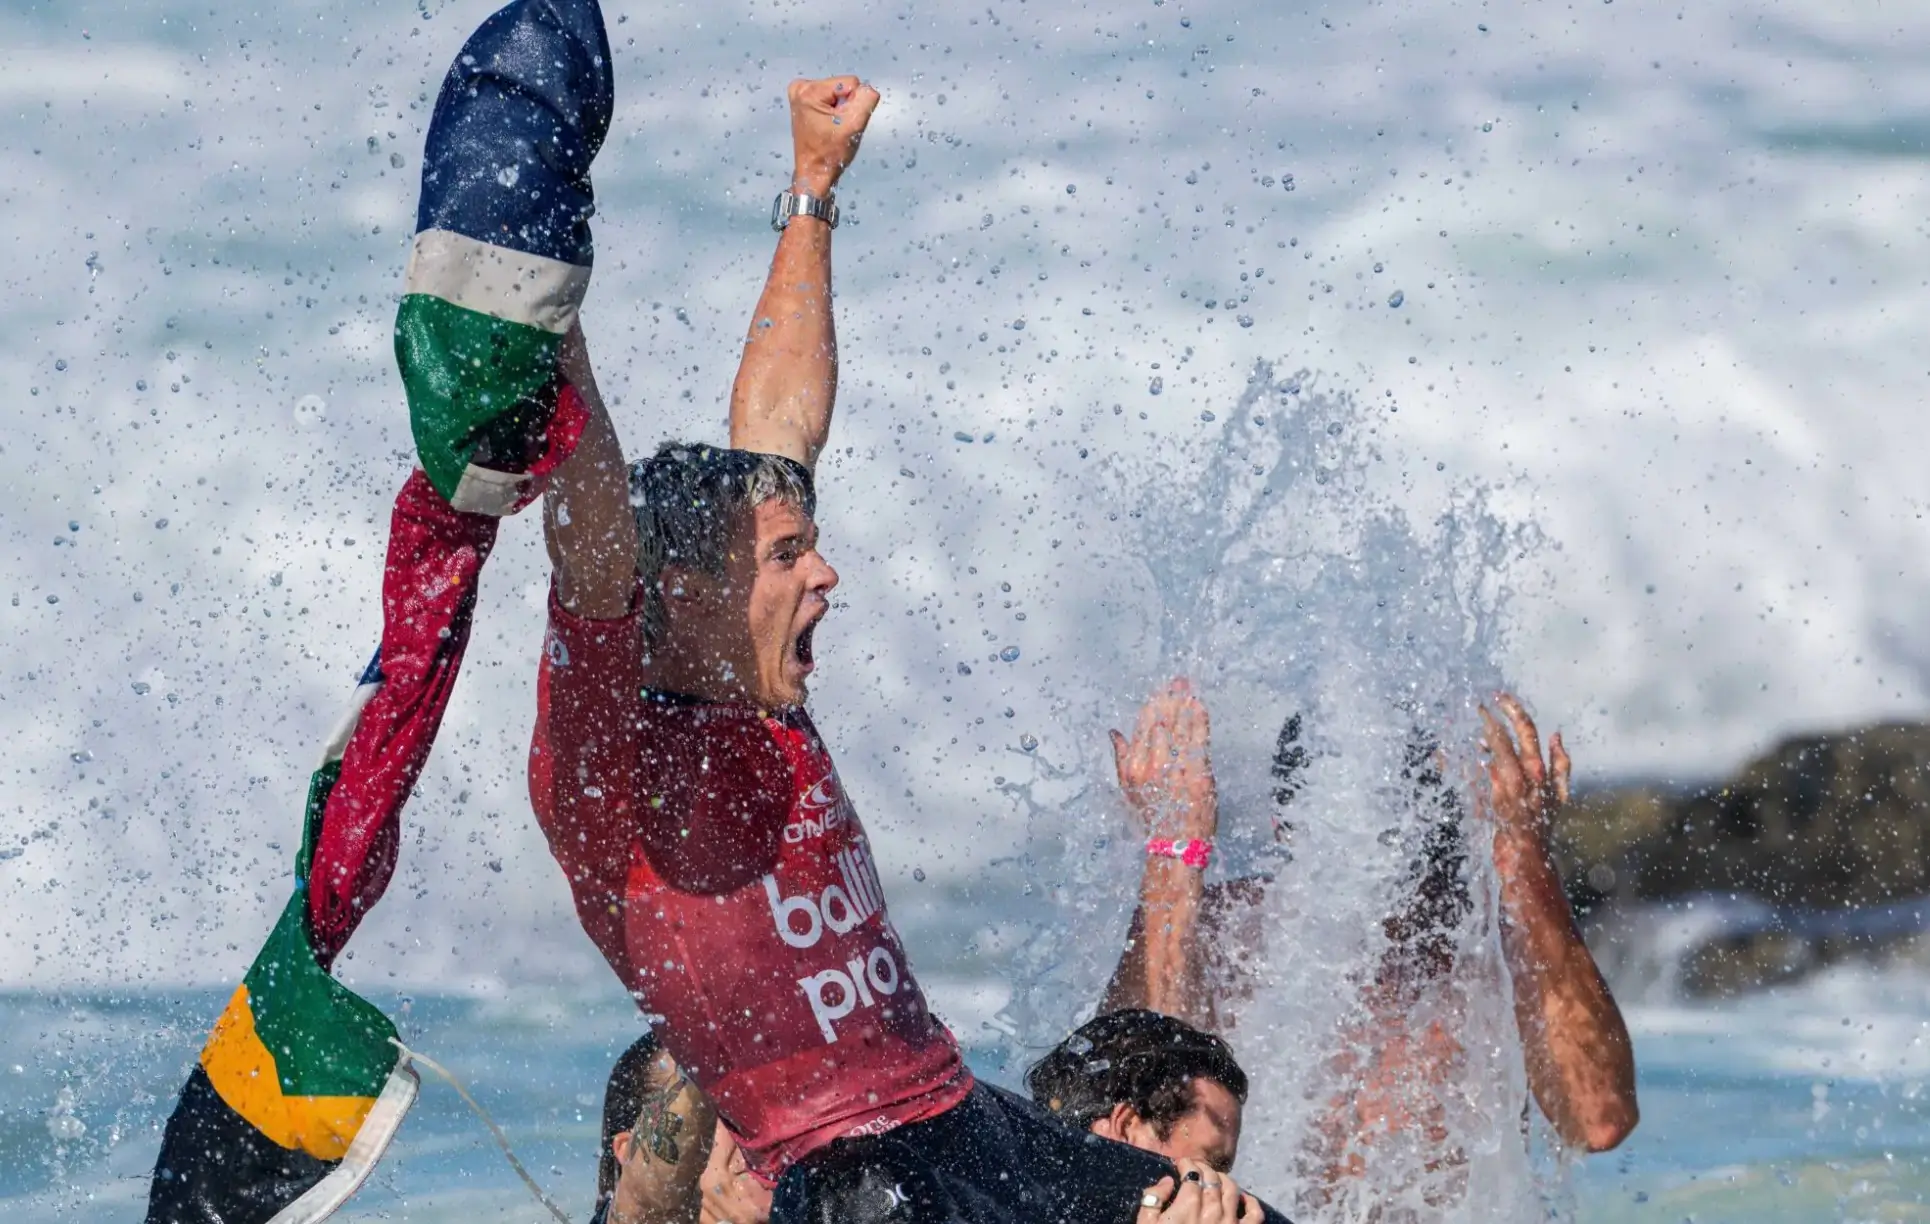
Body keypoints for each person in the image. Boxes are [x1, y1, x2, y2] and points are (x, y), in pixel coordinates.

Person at [530, 73, 1292, 1224]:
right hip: (842, 1177)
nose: (824, 573)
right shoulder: (612, 752)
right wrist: (547, 308)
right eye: (788, 556)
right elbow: (588, 528)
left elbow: (779, 426)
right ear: (685, 593)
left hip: (964, 1121)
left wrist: (812, 189)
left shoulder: (765, 694)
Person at [1096, 679, 1639, 1208]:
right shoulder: (1226, 931)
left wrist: (1523, 859)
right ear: (1286, 826)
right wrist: (1171, 853)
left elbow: (1598, 1119)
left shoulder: (1488, 958)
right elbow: (1112, 1123)